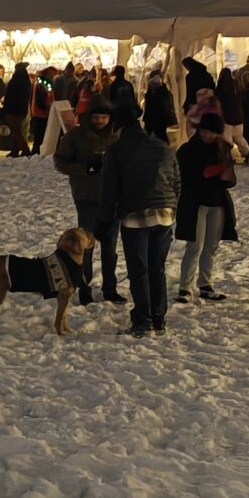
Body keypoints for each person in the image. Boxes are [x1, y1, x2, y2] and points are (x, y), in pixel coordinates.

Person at [101, 102, 180, 337]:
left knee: (139, 269)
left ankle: (143, 320)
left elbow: (109, 188)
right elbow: (176, 180)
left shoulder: (116, 150)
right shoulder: (161, 146)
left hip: (135, 214)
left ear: (118, 126)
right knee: (158, 267)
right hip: (165, 212)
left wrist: (105, 219)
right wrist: (172, 206)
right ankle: (159, 318)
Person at [52, 97, 122, 305]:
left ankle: (110, 287)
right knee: (86, 246)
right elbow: (60, 160)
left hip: (112, 198)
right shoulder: (76, 136)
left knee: (110, 247)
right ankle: (84, 287)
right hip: (87, 196)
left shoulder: (117, 136)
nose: (100, 121)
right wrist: (83, 170)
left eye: (104, 117)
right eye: (96, 117)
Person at [173, 112, 237, 303]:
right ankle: (185, 286)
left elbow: (230, 179)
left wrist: (225, 176)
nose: (207, 135)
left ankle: (205, 283)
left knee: (211, 246)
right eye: (205, 131)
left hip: (217, 202)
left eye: (211, 132)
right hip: (195, 202)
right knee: (195, 245)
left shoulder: (224, 148)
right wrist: (205, 175)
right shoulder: (187, 150)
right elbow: (181, 178)